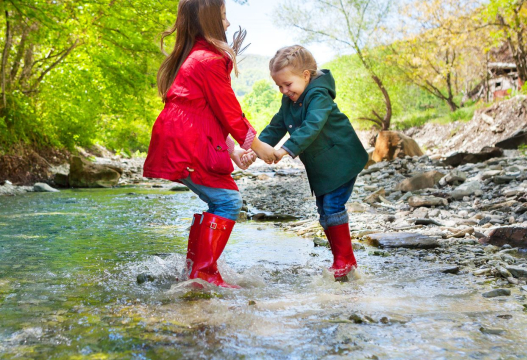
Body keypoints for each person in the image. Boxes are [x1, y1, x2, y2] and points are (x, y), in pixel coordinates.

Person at [143, 0, 278, 288]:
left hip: (182, 138)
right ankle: (202, 273)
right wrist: (258, 146)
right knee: (227, 201)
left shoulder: (198, 57)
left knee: (220, 200)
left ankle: (195, 271)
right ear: (209, 21)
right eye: (224, 17)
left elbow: (209, 113)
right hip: (186, 141)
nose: (228, 24)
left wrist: (234, 151)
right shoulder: (209, 60)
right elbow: (229, 112)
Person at [260, 45, 369, 281]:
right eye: (279, 86)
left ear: (306, 76)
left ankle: (344, 261)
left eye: (287, 84)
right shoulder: (289, 101)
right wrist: (257, 147)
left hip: (342, 160)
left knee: (332, 207)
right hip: (323, 166)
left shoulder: (318, 95)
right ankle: (344, 260)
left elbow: (312, 126)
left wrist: (285, 150)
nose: (284, 90)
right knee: (324, 210)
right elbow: (277, 125)